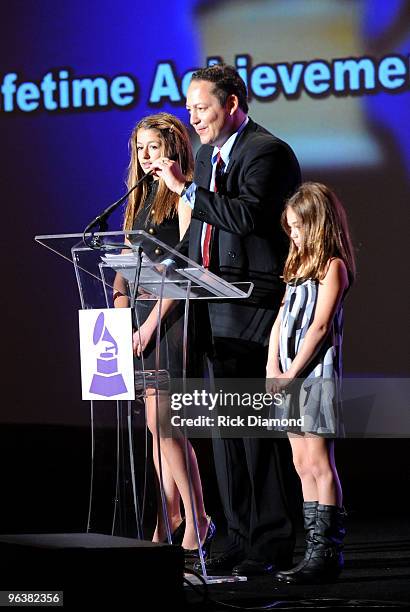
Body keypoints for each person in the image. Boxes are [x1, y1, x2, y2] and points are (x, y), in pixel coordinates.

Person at [151, 64, 301, 576]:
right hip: (211, 306)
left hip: (253, 304)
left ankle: (272, 540)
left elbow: (248, 217)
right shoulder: (205, 157)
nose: (192, 118)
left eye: (201, 107)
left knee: (254, 431)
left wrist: (186, 191)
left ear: (232, 103)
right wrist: (173, 266)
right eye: (189, 108)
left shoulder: (267, 152)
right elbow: (203, 237)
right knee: (223, 433)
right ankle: (237, 534)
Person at [114, 112, 214, 555]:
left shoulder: (183, 195)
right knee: (156, 429)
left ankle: (197, 517)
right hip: (137, 321)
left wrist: (151, 323)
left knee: (164, 423)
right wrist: (121, 307)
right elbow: (123, 257)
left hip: (171, 322)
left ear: (173, 148)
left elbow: (187, 269)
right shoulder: (139, 197)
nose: (146, 156)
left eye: (153, 147)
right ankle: (167, 515)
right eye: (140, 149)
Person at [266, 182, 356, 583]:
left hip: (314, 376)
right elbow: (281, 319)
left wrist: (292, 372)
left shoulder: (331, 266)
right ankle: (311, 549)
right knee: (299, 462)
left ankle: (327, 551)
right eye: (290, 228)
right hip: (287, 375)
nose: (295, 235)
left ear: (318, 224)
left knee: (319, 463)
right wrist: (273, 366)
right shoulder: (296, 266)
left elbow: (319, 327)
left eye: (299, 227)